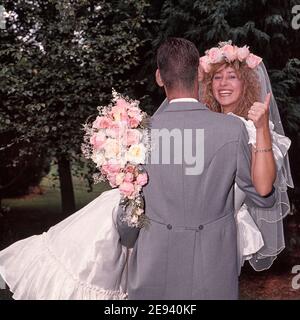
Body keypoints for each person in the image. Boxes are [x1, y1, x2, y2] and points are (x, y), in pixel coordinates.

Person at [116, 38, 276, 300]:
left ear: (159, 77)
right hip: (213, 269)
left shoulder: (138, 133)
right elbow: (263, 196)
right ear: (200, 73)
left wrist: (127, 238)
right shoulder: (232, 129)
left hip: (153, 265)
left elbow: (129, 215)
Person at [198, 41, 294, 272]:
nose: (223, 84)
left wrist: (261, 129)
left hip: (224, 231)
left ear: (246, 83)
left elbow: (263, 187)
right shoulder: (200, 125)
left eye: (231, 76)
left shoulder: (255, 129)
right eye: (217, 78)